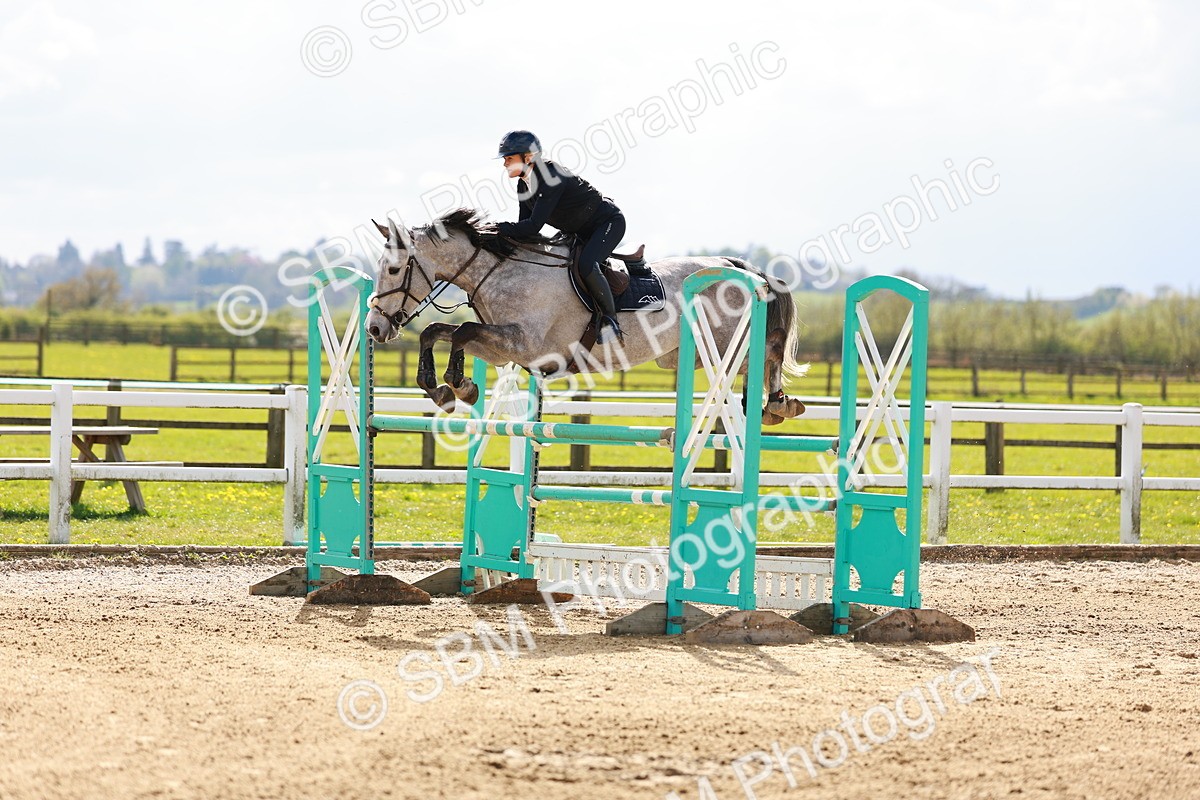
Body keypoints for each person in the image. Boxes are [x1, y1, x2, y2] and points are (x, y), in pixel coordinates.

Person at [495, 130, 626, 344]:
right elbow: (526, 229)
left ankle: (610, 321)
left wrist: (496, 228)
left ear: (528, 157)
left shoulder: (550, 176)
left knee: (586, 264)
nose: (505, 164)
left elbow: (533, 225)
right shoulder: (523, 184)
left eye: (509, 158)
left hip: (607, 223)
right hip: (578, 230)